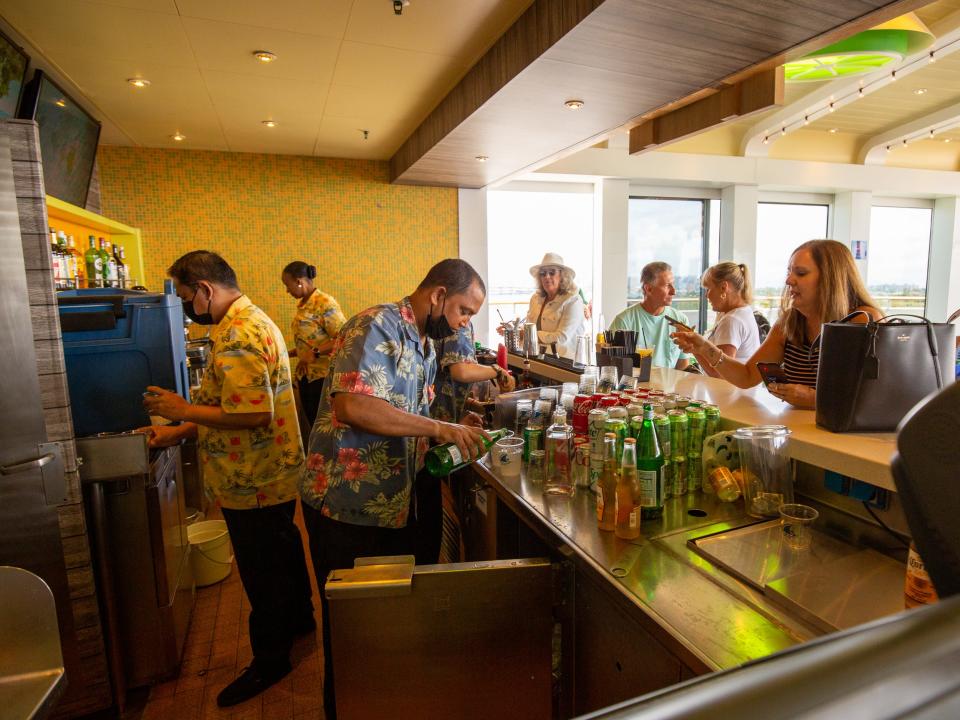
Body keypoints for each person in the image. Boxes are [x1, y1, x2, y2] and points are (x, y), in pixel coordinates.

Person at [299, 258, 490, 719]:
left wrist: (451, 427)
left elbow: (402, 416)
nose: (465, 324)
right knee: (353, 632)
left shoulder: (424, 344)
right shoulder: (376, 324)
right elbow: (354, 406)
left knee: (389, 625)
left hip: (393, 504)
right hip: (349, 506)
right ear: (439, 295)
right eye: (464, 311)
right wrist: (440, 427)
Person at [138, 251, 314, 707]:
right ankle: (301, 622)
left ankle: (271, 661)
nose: (188, 307)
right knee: (283, 549)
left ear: (205, 289)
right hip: (270, 472)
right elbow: (227, 403)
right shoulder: (255, 320)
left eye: (185, 296)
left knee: (262, 572)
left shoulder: (238, 334)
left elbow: (253, 413)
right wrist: (177, 430)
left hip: (251, 478)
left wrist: (181, 409)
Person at [672, 240, 882, 409]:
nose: (789, 280)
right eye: (789, 272)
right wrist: (703, 347)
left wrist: (815, 399)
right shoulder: (790, 322)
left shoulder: (863, 320)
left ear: (830, 278)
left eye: (800, 273)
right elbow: (746, 376)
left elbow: (874, 395)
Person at [281, 261, 346, 425]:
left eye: (288, 285)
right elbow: (311, 339)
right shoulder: (303, 305)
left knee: (323, 426)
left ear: (299, 281)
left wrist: (314, 353)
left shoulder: (324, 303)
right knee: (312, 423)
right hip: (306, 377)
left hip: (322, 377)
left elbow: (344, 337)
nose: (287, 291)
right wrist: (289, 353)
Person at [608, 261, 691, 369]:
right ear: (648, 289)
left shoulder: (680, 320)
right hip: (635, 385)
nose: (673, 291)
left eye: (673, 284)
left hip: (670, 385)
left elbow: (683, 365)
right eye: (667, 286)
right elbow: (612, 366)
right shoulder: (624, 321)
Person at [432, 322, 515, 424]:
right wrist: (499, 371)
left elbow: (443, 381)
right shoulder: (459, 323)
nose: (466, 317)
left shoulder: (453, 321)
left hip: (439, 418)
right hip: (434, 422)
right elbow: (462, 371)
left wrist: (472, 404)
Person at [694, 262, 760, 378]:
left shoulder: (731, 320)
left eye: (708, 289)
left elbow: (719, 373)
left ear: (724, 287)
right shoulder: (743, 312)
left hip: (730, 394)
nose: (706, 296)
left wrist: (694, 347)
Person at [522, 252, 587, 359]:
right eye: (543, 273)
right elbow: (529, 326)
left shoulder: (573, 301)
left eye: (552, 272)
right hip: (537, 358)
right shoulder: (535, 299)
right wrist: (516, 330)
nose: (547, 277)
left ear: (562, 276)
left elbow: (561, 338)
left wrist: (530, 335)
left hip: (565, 363)